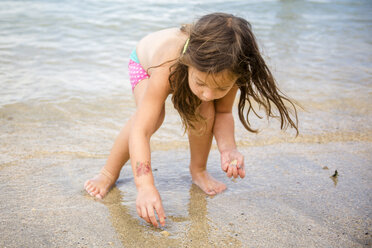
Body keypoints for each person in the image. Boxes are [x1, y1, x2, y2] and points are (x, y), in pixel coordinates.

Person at [84, 12, 299, 228]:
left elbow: (223, 113)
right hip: (144, 64)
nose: (208, 95)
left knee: (205, 112)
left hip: (189, 69)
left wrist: (228, 148)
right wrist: (145, 186)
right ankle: (108, 173)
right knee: (152, 117)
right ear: (189, 63)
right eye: (201, 83)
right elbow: (141, 131)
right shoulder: (168, 63)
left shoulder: (231, 66)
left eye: (221, 88)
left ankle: (198, 171)